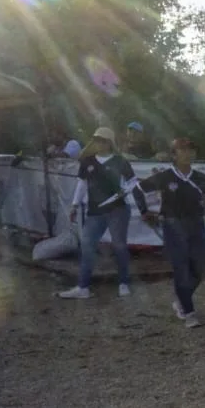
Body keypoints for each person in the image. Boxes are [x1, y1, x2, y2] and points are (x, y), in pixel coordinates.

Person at [58, 127, 149, 299]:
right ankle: (83, 287)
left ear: (110, 143)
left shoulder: (120, 161)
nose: (99, 143)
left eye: (102, 140)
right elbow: (81, 184)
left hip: (118, 209)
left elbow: (134, 184)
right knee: (87, 245)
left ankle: (124, 283)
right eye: (96, 140)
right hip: (95, 210)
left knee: (119, 245)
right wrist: (75, 205)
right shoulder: (87, 162)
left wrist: (143, 208)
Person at [140, 138, 205, 328]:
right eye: (183, 150)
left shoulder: (200, 177)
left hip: (196, 224)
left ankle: (181, 299)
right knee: (181, 268)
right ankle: (189, 312)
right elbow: (138, 189)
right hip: (173, 225)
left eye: (191, 150)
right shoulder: (165, 176)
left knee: (199, 268)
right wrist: (145, 211)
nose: (188, 154)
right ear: (174, 155)